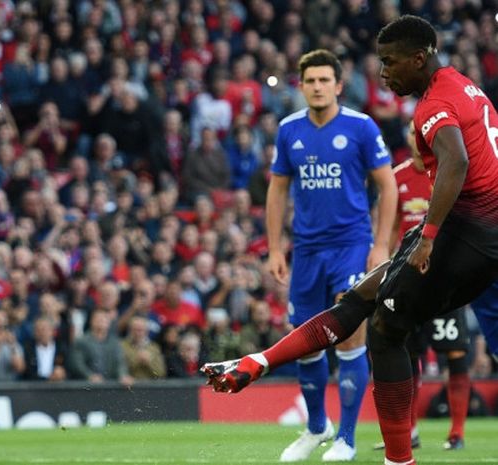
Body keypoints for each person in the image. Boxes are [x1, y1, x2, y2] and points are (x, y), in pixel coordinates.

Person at [203, 16, 498, 465]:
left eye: (390, 63)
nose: (382, 74)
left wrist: (428, 237)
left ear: (419, 59)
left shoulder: (433, 103)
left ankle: (398, 459)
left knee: (384, 332)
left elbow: (454, 161)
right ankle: (257, 363)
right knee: (361, 298)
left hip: (466, 231)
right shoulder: (466, 87)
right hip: (474, 230)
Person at [265, 48, 397, 462]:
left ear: (338, 85)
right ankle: (316, 427)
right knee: (305, 343)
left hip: (351, 246)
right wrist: (273, 247)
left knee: (349, 337)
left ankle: (347, 437)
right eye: (310, 81)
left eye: (325, 80)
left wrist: (379, 245)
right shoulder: (289, 130)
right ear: (301, 86)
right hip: (306, 250)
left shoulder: (360, 127)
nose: (318, 87)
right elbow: (277, 189)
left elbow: (387, 186)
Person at [373, 121, 471, 451]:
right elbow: (388, 231)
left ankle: (456, 433)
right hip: (410, 279)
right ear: (408, 139)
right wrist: (384, 263)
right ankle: (410, 429)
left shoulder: (450, 172)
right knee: (406, 351)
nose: (420, 141)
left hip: (446, 279)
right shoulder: (397, 177)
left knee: (455, 354)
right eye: (414, 136)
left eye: (424, 136)